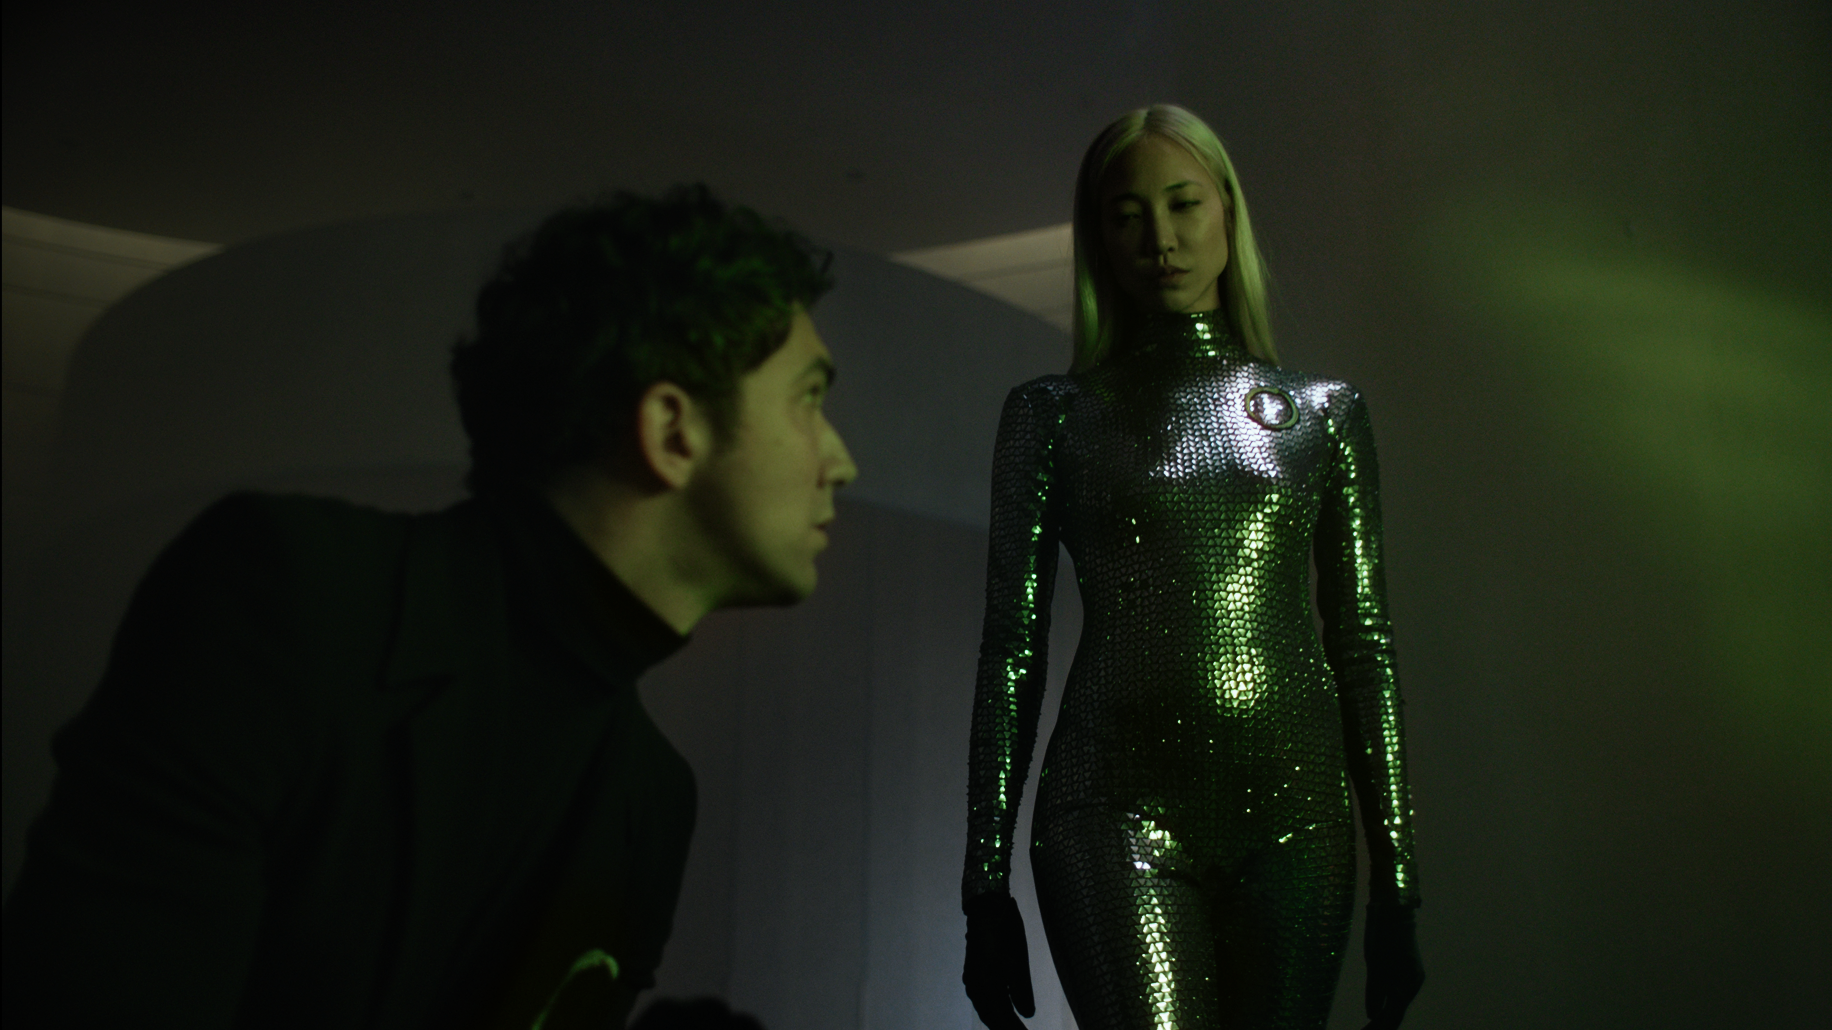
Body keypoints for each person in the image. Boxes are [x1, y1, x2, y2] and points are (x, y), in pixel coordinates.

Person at [2, 184, 857, 1029]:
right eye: (810, 399)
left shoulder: (652, 800)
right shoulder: (289, 594)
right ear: (673, 431)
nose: (841, 462)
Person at [960, 106, 1425, 1029]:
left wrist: (1398, 881)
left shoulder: (1323, 412)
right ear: (1098, 236)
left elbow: (1363, 644)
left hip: (1298, 819)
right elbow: (1012, 649)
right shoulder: (1053, 415)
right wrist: (983, 884)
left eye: (1183, 204)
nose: (1161, 239)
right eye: (1127, 214)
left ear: (1228, 211)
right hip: (1109, 810)